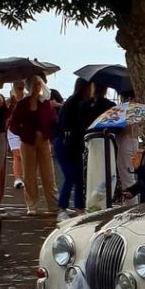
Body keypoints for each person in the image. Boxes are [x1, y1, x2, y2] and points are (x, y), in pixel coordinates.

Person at [9, 77, 59, 215]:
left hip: (43, 142)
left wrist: (49, 136)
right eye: (35, 84)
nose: (37, 87)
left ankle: (53, 205)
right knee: (29, 175)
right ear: (30, 87)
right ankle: (32, 205)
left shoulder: (45, 103)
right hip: (27, 143)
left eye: (39, 84)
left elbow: (53, 120)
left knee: (48, 175)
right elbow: (12, 124)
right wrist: (23, 133)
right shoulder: (22, 104)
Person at [55, 78, 91, 220]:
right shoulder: (77, 103)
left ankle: (78, 207)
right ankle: (63, 208)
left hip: (71, 144)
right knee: (71, 176)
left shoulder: (72, 102)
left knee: (77, 177)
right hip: (67, 144)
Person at [6, 79, 27, 189]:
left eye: (22, 87)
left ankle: (25, 176)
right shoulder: (10, 101)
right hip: (13, 130)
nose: (21, 90)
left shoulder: (28, 99)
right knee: (17, 154)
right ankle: (18, 178)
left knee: (24, 154)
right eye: (19, 87)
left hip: (26, 129)